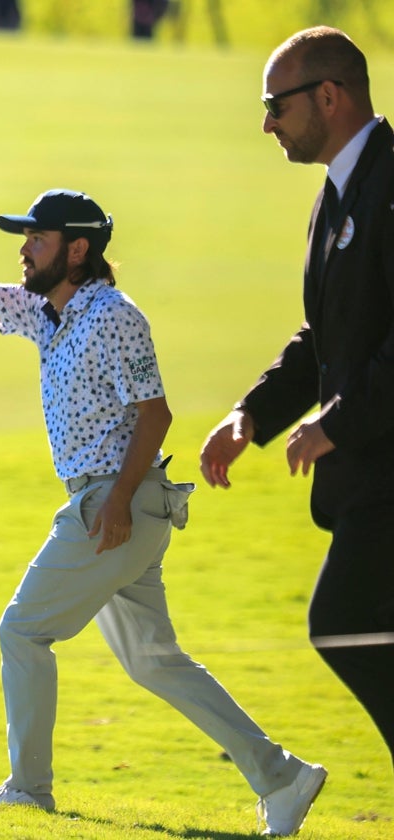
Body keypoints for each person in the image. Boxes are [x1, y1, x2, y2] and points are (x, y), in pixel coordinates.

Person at [0, 190, 325, 835]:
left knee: (21, 632)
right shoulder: (46, 312)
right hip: (112, 502)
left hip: (115, 502)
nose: (24, 250)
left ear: (77, 249)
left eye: (37, 239)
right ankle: (282, 776)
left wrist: (114, 503)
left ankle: (28, 790)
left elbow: (154, 413)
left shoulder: (114, 314)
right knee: (155, 660)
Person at [200, 27, 394, 771]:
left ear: (329, 96)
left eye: (275, 106)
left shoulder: (392, 181)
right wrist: (251, 415)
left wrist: (332, 425)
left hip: (389, 472)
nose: (267, 124)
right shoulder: (334, 197)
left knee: (341, 621)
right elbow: (324, 336)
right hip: (369, 474)